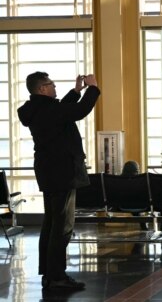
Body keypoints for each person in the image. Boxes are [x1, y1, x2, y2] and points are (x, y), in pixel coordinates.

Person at [17, 72, 100, 290]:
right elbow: (79, 111)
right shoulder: (49, 110)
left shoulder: (35, 110)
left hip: (48, 172)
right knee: (63, 226)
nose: (54, 87)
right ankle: (56, 277)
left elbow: (62, 110)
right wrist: (93, 88)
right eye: (51, 84)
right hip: (63, 172)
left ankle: (49, 273)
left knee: (51, 223)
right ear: (42, 89)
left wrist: (75, 91)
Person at [120, 161, 149, 231]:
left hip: (121, 206)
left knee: (131, 201)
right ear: (137, 171)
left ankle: (142, 223)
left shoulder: (118, 181)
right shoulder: (140, 181)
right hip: (140, 205)